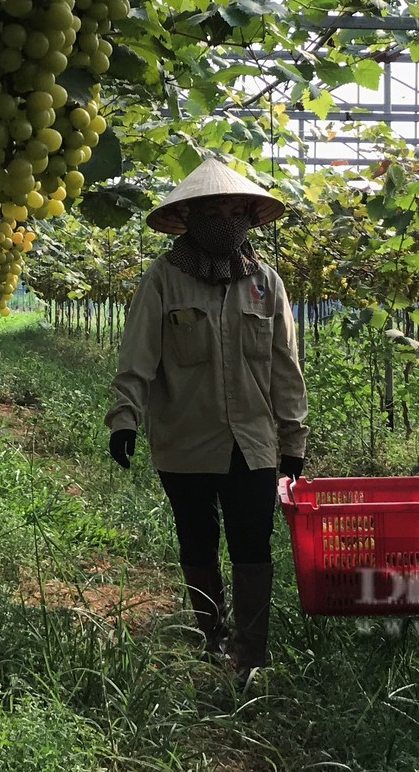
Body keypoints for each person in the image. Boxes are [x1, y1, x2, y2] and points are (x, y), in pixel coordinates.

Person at [105, 159, 308, 684]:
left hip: (254, 442)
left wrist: (294, 436)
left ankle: (251, 655)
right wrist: (124, 418)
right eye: (215, 208)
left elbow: (285, 365)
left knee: (253, 542)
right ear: (191, 215)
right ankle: (211, 635)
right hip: (185, 439)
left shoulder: (265, 283)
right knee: (196, 539)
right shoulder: (163, 280)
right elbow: (138, 356)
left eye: (237, 208)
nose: (228, 218)